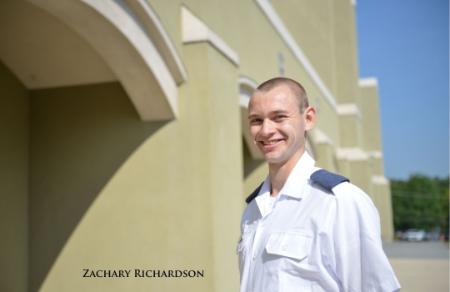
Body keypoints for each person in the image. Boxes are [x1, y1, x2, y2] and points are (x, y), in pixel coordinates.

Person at [238, 77, 401, 292]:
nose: (266, 130)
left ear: (308, 118)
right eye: (256, 120)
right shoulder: (252, 210)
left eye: (279, 117)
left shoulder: (340, 202)